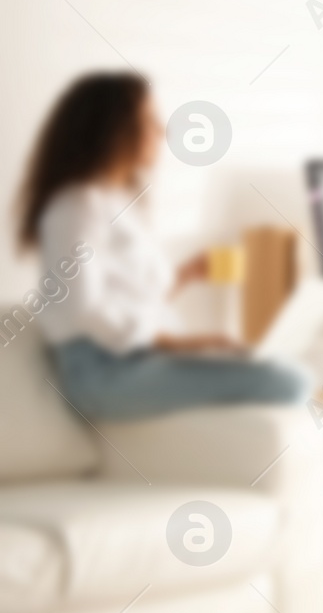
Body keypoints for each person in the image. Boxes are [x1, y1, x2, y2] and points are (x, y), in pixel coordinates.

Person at [14, 72, 301, 420]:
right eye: (148, 121)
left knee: (277, 365)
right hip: (102, 374)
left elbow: (129, 302)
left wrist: (186, 275)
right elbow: (80, 309)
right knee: (288, 380)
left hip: (134, 359)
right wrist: (173, 342)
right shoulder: (78, 205)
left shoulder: (117, 203)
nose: (161, 132)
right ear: (112, 129)